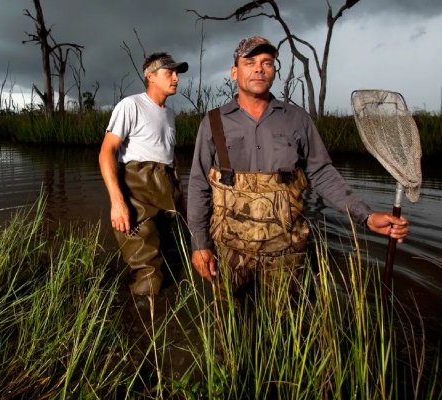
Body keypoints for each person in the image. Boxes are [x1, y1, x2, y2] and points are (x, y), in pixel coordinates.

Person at [187, 36, 408, 301]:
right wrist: (199, 245)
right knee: (229, 325)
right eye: (250, 62)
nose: (259, 68)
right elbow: (199, 187)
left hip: (286, 254)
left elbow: (322, 174)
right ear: (235, 72)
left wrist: (367, 216)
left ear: (274, 71)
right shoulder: (212, 123)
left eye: (267, 62)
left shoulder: (297, 119)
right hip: (228, 252)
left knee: (288, 326)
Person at [99, 52, 188, 296]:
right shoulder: (131, 105)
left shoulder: (169, 114)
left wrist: (182, 202)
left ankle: (165, 320)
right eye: (169, 73)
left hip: (166, 195)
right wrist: (117, 203)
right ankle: (137, 324)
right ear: (150, 77)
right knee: (149, 277)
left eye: (177, 73)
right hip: (137, 197)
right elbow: (107, 152)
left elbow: (171, 158)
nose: (176, 78)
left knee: (174, 262)